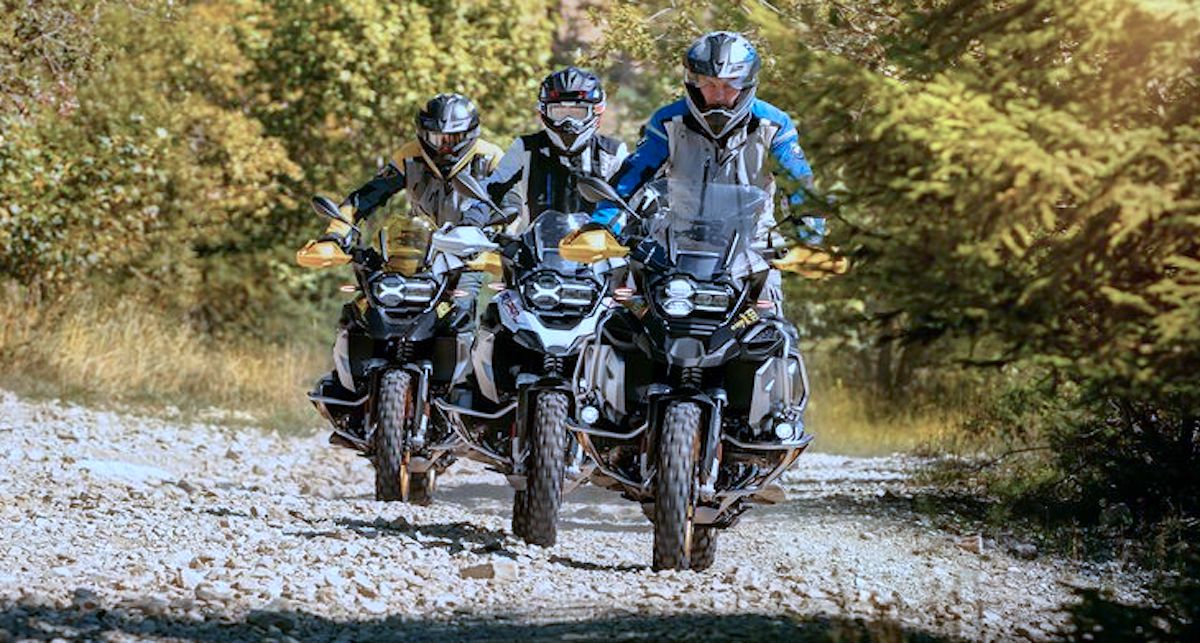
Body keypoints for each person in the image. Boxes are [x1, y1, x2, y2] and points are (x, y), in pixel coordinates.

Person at [296, 93, 503, 425]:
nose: (444, 147)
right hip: (419, 250)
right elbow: (369, 194)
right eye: (436, 138)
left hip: (470, 255)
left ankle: (468, 394)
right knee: (368, 302)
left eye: (453, 138)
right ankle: (350, 387)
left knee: (463, 316)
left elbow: (509, 204)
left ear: (471, 135)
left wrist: (496, 240)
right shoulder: (409, 156)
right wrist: (336, 233)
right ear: (423, 134)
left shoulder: (492, 159)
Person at [590, 31, 825, 308]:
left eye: (730, 84)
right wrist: (600, 226)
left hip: (752, 254)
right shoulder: (669, 121)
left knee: (772, 334)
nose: (719, 95)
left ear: (748, 84)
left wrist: (810, 239)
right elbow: (631, 178)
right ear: (693, 83)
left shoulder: (773, 125)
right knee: (619, 320)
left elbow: (799, 185)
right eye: (709, 84)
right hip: (674, 250)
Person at [464, 67, 627, 230]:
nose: (568, 122)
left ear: (596, 111)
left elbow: (628, 198)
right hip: (532, 250)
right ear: (544, 111)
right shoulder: (526, 148)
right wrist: (475, 215)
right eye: (559, 112)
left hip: (599, 249)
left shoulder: (613, 152)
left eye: (577, 112)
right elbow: (493, 186)